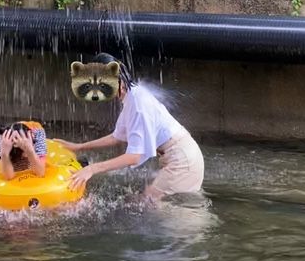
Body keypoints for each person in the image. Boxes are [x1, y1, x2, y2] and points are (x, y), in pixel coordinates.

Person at [56, 53, 204, 200]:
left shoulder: (138, 104)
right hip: (178, 155)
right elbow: (117, 136)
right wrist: (79, 147)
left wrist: (92, 169)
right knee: (150, 202)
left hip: (183, 160)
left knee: (150, 203)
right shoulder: (132, 96)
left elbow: (134, 157)